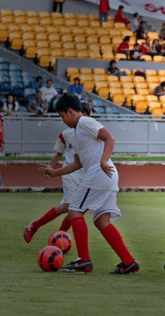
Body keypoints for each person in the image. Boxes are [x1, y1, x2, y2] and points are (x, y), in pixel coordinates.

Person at [40, 93, 139, 274]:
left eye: (62, 116)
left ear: (70, 112)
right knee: (102, 222)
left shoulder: (85, 122)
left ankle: (84, 261)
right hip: (106, 176)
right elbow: (77, 164)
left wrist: (103, 161)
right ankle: (129, 262)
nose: (63, 121)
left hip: (99, 173)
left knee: (74, 210)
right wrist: (55, 173)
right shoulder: (77, 134)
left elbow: (110, 138)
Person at [24, 103, 91, 243]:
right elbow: (59, 154)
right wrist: (49, 168)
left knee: (79, 210)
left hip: (88, 175)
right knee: (69, 206)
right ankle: (36, 226)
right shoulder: (66, 134)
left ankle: (60, 237)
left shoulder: (92, 132)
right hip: (70, 174)